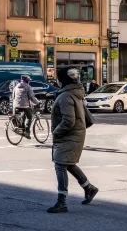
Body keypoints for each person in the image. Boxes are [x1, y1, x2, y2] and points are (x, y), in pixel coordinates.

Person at [47, 66, 98, 214]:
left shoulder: (65, 96)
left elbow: (68, 120)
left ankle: (61, 202)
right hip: (75, 134)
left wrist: (56, 133)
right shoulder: (74, 93)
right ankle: (89, 188)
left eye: (58, 77)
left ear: (62, 80)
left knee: (60, 165)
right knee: (67, 163)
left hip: (68, 135)